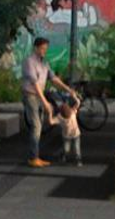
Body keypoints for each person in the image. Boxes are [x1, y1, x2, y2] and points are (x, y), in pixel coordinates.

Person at [21, 37, 75, 168]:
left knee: (38, 126)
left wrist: (69, 89)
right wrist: (45, 102)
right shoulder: (29, 62)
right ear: (36, 48)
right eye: (43, 48)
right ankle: (33, 158)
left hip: (39, 97)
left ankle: (35, 156)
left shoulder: (44, 64)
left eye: (46, 48)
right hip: (31, 96)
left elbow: (54, 78)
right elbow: (34, 84)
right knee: (36, 126)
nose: (45, 51)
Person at [56, 99, 83, 166]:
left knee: (77, 148)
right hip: (67, 136)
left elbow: (78, 103)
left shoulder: (72, 112)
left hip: (75, 135)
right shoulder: (60, 117)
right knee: (66, 149)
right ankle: (63, 154)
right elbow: (78, 103)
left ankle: (78, 160)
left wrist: (74, 96)